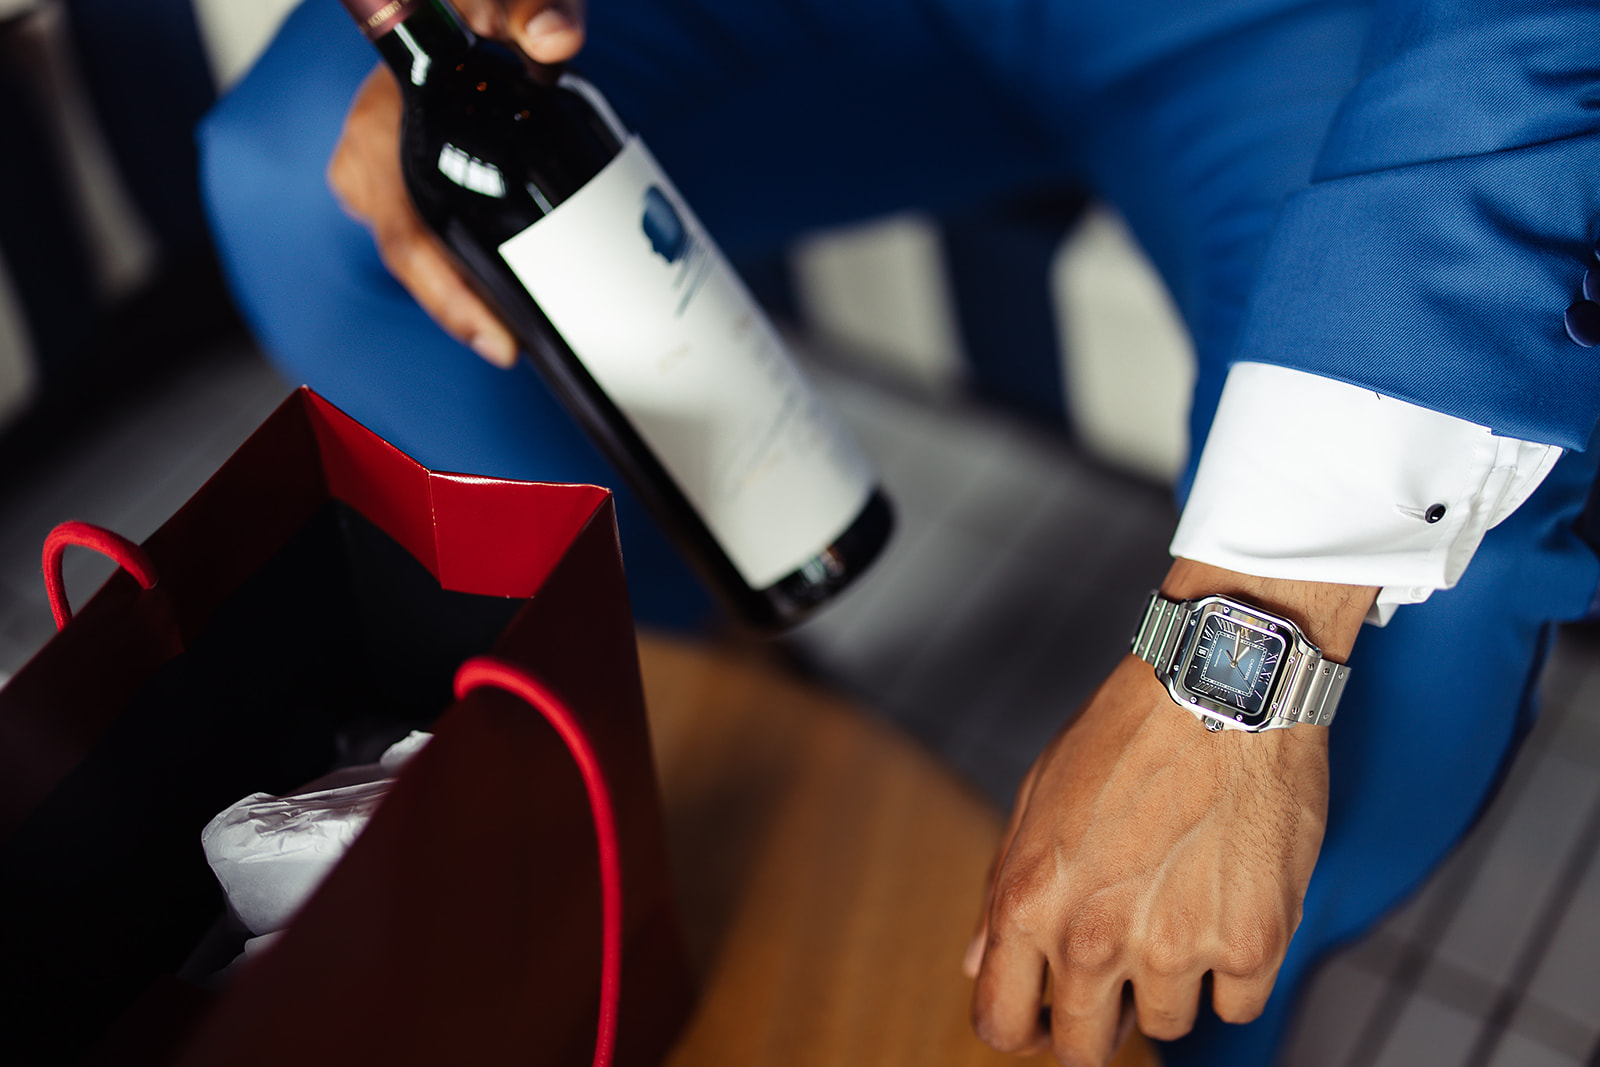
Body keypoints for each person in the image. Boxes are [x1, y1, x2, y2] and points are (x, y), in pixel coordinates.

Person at [197, 0, 1600, 1063]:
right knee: (298, 176)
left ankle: (1162, 1026)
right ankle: (690, 742)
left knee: (1421, 611)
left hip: (1303, 31)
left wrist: (1230, 670)